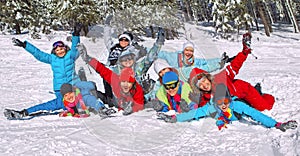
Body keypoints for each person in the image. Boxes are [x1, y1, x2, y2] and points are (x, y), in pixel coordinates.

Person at [188, 33, 275, 111]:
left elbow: (235, 65)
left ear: (207, 77)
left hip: (245, 91)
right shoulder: (205, 97)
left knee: (264, 107)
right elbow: (202, 109)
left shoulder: (221, 78)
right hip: (236, 99)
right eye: (200, 85)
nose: (204, 85)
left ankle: (260, 94)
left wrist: (244, 52)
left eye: (203, 81)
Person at [158, 84, 298, 132]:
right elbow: (195, 113)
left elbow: (256, 115)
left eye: (225, 101)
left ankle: (257, 90)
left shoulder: (236, 104)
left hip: (242, 103)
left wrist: (277, 124)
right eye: (219, 102)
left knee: (255, 102)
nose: (223, 104)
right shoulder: (212, 106)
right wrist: (175, 118)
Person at [10, 24, 82, 116]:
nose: (60, 51)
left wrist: (75, 34)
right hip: (60, 89)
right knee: (59, 103)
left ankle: (101, 109)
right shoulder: (52, 58)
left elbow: (75, 48)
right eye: (57, 50)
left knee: (84, 99)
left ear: (65, 48)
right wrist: (25, 45)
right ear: (54, 52)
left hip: (73, 86)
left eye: (61, 49)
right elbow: (39, 54)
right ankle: (25, 112)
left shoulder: (70, 56)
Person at [78, 44, 144, 115]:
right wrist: (87, 58)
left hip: (122, 107)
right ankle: (83, 83)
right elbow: (102, 69)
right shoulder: (116, 80)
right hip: (112, 101)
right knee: (92, 93)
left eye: (129, 82)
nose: (126, 85)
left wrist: (132, 109)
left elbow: (139, 105)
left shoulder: (137, 89)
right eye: (123, 82)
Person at [4, 81, 114, 119]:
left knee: (96, 94)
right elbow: (43, 106)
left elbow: (92, 101)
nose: (69, 97)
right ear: (63, 97)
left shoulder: (82, 97)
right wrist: (25, 112)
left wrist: (101, 108)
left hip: (91, 91)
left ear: (74, 92)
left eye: (70, 93)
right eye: (66, 96)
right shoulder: (61, 102)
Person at [156, 41, 223, 82]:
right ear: (183, 50)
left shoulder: (193, 61)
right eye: (187, 50)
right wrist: (148, 50)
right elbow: (162, 54)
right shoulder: (174, 57)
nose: (188, 53)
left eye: (191, 51)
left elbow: (205, 63)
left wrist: (220, 61)